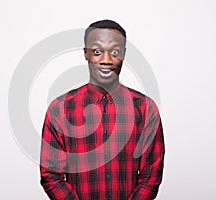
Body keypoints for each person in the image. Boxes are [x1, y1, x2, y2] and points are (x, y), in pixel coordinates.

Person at [40, 19, 165, 200]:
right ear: (86, 54)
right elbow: (51, 175)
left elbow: (151, 175)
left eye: (114, 52)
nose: (106, 60)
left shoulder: (145, 109)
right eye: (97, 51)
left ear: (123, 54)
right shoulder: (60, 109)